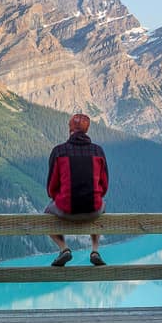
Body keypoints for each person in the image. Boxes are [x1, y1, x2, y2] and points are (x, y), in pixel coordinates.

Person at [44, 113, 109, 266]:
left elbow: (51, 187)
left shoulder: (59, 152)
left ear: (70, 129)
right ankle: (95, 250)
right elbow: (104, 185)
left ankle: (64, 248)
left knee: (46, 214)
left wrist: (59, 199)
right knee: (102, 205)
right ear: (87, 130)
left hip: (66, 210)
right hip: (93, 211)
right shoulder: (98, 152)